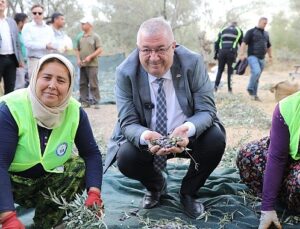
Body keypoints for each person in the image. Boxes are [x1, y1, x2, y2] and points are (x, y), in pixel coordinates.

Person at [104, 17, 226, 219]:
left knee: (215, 138)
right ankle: (156, 185)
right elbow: (127, 122)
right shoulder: (124, 72)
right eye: (146, 50)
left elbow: (207, 110)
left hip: (188, 138)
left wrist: (187, 129)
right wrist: (146, 136)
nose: (153, 57)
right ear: (138, 48)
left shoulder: (192, 62)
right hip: (150, 140)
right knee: (125, 156)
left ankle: (188, 192)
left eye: (161, 49)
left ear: (173, 46)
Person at [0, 54, 103, 228]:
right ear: (35, 78)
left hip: (44, 182)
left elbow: (91, 154)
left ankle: (47, 222)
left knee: (78, 166)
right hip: (8, 182)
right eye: (46, 77)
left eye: (61, 80)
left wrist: (94, 193)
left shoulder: (75, 112)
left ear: (69, 86)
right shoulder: (11, 108)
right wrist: (8, 216)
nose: (52, 86)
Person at [236, 93, 300, 228]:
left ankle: (290, 192)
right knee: (247, 155)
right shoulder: (287, 106)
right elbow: (277, 157)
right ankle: (282, 192)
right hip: (289, 157)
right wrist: (267, 208)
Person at [239, 17, 272, 101]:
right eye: (264, 23)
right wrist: (241, 54)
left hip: (262, 58)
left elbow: (268, 46)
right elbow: (244, 43)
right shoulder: (251, 32)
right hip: (252, 56)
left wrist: (270, 56)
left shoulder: (266, 34)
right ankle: (250, 88)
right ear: (259, 22)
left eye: (266, 23)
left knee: (257, 77)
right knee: (256, 72)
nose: (265, 25)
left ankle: (254, 95)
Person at [22, 4, 56, 81]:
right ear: (31, 14)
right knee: (34, 84)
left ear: (43, 14)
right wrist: (45, 46)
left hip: (48, 60)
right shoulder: (27, 27)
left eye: (40, 13)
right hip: (34, 60)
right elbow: (28, 44)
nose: (37, 15)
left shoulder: (48, 29)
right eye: (34, 13)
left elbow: (53, 43)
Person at [75, 16, 102, 109]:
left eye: (84, 24)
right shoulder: (80, 37)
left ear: (89, 25)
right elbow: (77, 49)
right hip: (82, 64)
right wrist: (78, 59)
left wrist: (90, 57)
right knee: (82, 83)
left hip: (92, 65)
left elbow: (100, 49)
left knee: (93, 83)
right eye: (81, 24)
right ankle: (84, 101)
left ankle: (96, 101)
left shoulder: (95, 37)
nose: (82, 25)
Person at [0, 0, 23, 94]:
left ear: (6, 5)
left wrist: (20, 59)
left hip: (11, 59)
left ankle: (5, 108)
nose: (0, 3)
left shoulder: (11, 21)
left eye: (2, 1)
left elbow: (17, 42)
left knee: (10, 88)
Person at [214, 21, 243, 93]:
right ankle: (230, 90)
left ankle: (215, 88)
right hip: (231, 53)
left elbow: (217, 42)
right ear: (236, 25)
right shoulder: (239, 30)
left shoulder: (223, 30)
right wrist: (241, 54)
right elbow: (242, 43)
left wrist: (216, 54)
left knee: (220, 70)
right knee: (230, 71)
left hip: (221, 52)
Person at [14, 12, 28, 89]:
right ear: (20, 22)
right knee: (19, 85)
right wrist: (19, 60)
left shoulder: (22, 34)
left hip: (26, 62)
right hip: (19, 63)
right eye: (26, 22)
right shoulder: (15, 34)